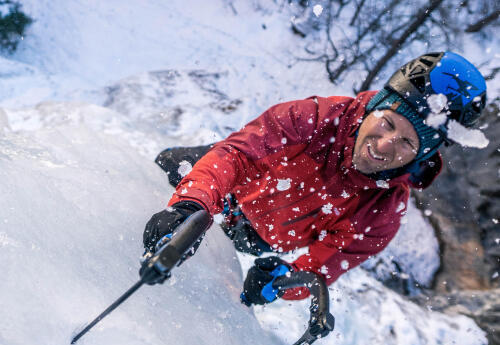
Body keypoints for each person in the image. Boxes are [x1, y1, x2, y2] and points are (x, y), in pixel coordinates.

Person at [142, 52, 487, 305]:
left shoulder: (382, 213)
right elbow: (237, 156)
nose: (383, 146)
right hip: (231, 184)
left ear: (423, 155)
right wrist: (190, 205)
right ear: (374, 107)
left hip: (259, 236)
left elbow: (320, 267)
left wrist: (281, 283)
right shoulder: (313, 119)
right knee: (166, 165)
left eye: (408, 142)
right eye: (387, 122)